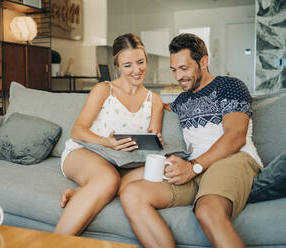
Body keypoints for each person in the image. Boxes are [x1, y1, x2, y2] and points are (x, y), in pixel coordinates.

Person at [120, 33, 263, 248]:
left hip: (231, 159)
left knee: (207, 211)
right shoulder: (181, 101)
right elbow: (157, 105)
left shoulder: (230, 86)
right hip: (192, 169)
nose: (178, 76)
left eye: (184, 69)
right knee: (132, 193)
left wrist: (193, 168)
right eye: (174, 70)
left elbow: (235, 137)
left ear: (203, 62)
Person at [54, 33, 164, 235]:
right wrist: (105, 141)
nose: (136, 70)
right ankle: (56, 242)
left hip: (121, 161)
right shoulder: (104, 90)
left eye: (140, 62)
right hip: (85, 151)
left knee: (156, 174)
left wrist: (155, 140)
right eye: (128, 65)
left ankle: (82, 193)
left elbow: (152, 140)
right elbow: (77, 130)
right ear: (118, 67)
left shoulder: (154, 101)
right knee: (108, 179)